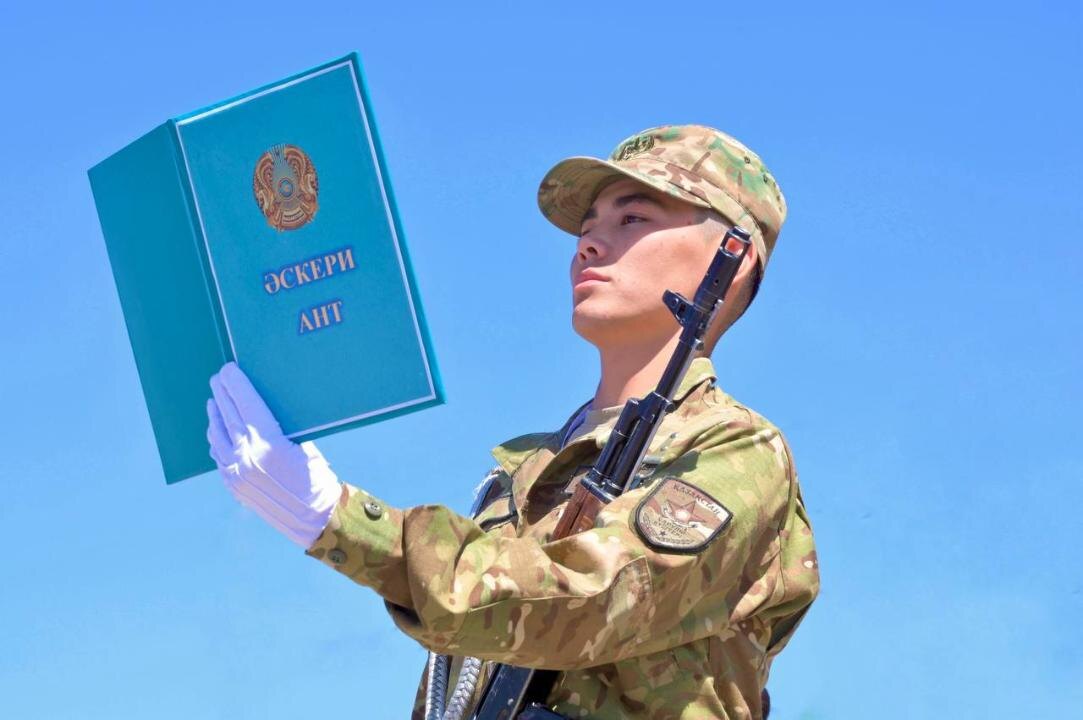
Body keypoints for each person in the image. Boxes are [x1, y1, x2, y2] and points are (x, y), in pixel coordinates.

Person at [206, 124, 820, 719]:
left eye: (633, 219)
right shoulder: (526, 472)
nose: (589, 245)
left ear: (731, 257)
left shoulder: (734, 450)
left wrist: (338, 519)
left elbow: (590, 596)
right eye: (587, 228)